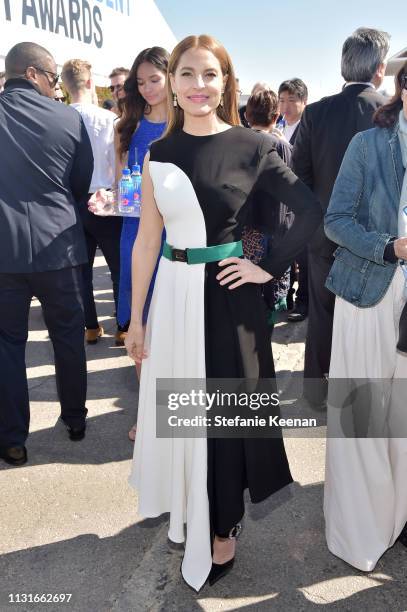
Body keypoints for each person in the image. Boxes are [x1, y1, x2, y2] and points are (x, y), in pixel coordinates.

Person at [125, 34, 321, 591]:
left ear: (225, 81)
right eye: (187, 74)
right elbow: (146, 242)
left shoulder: (252, 146)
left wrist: (268, 267)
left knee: (224, 418)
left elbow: (308, 211)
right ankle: (191, 508)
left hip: (228, 297)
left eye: (210, 75)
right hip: (174, 295)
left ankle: (224, 526)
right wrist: (136, 318)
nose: (198, 86)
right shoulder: (159, 153)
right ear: (173, 81)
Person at [323, 61, 407, 571]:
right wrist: (390, 247)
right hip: (369, 292)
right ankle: (364, 528)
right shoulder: (369, 144)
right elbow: (335, 221)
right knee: (364, 417)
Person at [0, 42, 93, 466]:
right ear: (34, 73)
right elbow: (80, 182)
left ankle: (13, 439)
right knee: (68, 338)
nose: (56, 86)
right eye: (53, 78)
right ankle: (75, 419)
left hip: (5, 252)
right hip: (61, 246)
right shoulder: (68, 117)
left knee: (7, 345)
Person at [292, 27, 389, 406]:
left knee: (322, 313)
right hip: (376, 238)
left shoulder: (315, 112)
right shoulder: (391, 113)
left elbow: (298, 176)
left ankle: (317, 392)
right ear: (380, 68)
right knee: (371, 321)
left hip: (325, 234)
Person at [115, 47, 169, 440]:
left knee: (177, 324)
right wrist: (114, 197)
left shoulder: (187, 126)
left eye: (155, 79)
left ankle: (174, 411)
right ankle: (148, 413)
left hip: (180, 236)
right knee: (141, 325)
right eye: (141, 82)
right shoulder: (128, 127)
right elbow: (125, 189)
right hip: (136, 233)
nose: (148, 88)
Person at [62, 59, 126, 346]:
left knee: (83, 271)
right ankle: (123, 325)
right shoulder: (110, 119)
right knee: (118, 267)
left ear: (64, 85)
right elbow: (119, 163)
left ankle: (90, 326)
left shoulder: (58, 119)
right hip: (107, 199)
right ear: (90, 82)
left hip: (74, 202)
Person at [244, 89, 293, 329]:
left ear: (248, 115)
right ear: (276, 116)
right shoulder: (282, 146)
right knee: (270, 291)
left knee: (246, 285)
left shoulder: (237, 142)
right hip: (276, 226)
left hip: (245, 229)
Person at [278, 78, 309, 322]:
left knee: (303, 256)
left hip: (301, 203)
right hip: (280, 204)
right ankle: (285, 296)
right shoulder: (278, 126)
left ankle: (304, 302)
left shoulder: (308, 128)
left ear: (303, 102)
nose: (285, 106)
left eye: (291, 100)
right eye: (281, 100)